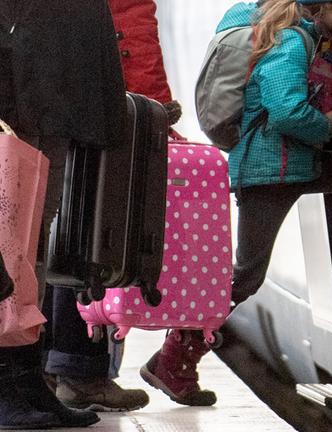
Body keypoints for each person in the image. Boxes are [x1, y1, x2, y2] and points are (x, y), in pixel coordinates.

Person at [140, 0, 332, 406]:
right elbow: (286, 111)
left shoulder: (308, 39)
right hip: (268, 171)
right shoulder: (292, 43)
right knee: (245, 275)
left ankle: (174, 358)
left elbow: (312, 106)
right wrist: (326, 124)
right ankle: (174, 359)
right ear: (320, 10)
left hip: (294, 164)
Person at [41, 0, 181, 412]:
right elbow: (131, 33)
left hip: (63, 106)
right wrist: (154, 106)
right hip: (105, 113)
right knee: (96, 236)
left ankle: (52, 366)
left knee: (57, 234)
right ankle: (82, 370)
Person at [0, 1, 127, 428]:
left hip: (58, 87)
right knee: (8, 247)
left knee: (29, 252)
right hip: (20, 83)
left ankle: (26, 380)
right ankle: (5, 387)